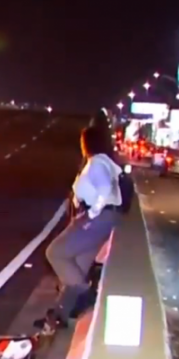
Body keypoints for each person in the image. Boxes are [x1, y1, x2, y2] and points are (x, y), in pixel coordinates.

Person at [40, 126, 123, 329]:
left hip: (97, 218)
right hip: (105, 218)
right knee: (76, 264)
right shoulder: (106, 163)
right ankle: (60, 314)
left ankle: (86, 292)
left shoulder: (97, 163)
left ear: (87, 143)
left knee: (55, 253)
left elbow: (103, 190)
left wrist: (92, 214)